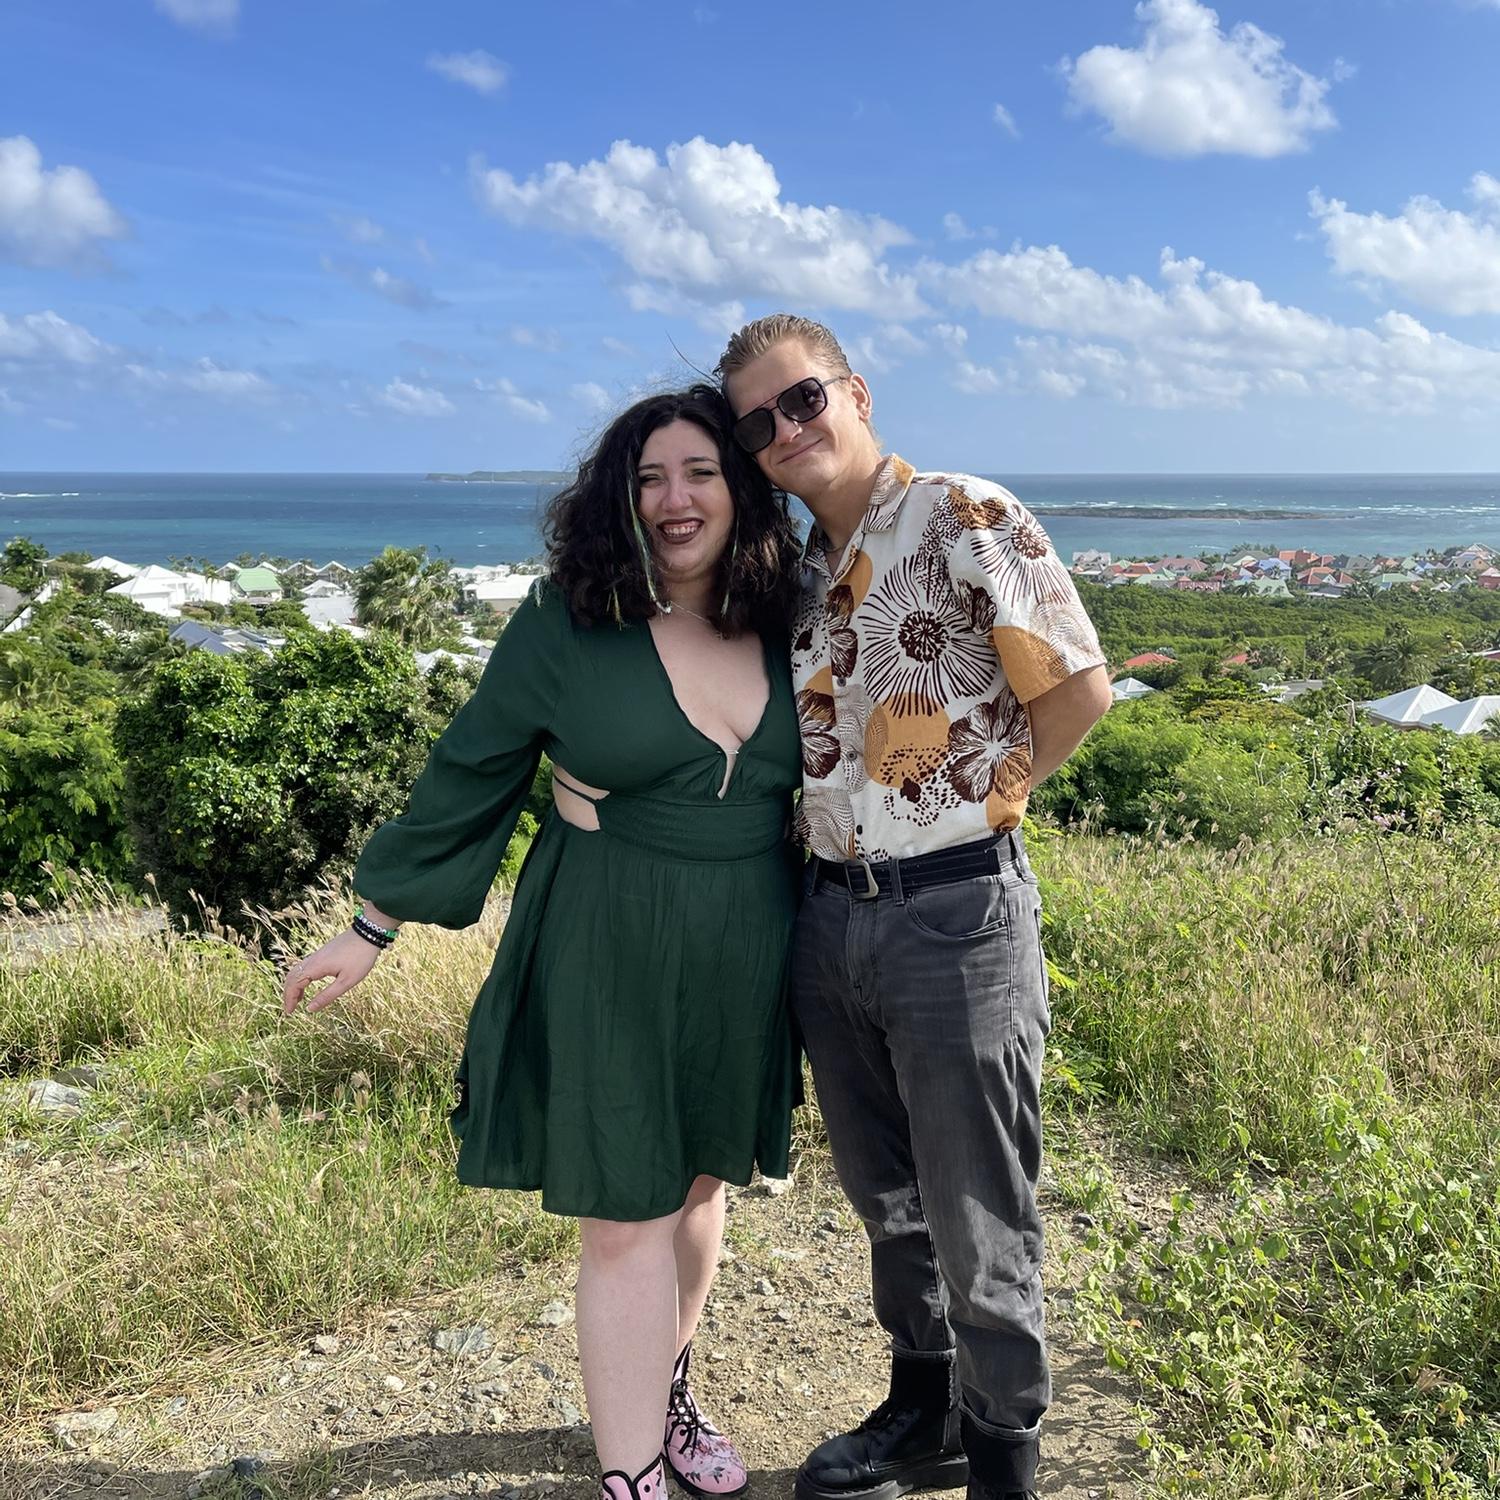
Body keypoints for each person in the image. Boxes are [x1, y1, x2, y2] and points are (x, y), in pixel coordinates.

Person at [281, 384, 805, 1500]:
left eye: (700, 473)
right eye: (650, 477)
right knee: (628, 1210)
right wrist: (373, 924)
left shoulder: (787, 617)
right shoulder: (566, 621)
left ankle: (664, 1395)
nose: (674, 499)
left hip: (750, 939)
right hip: (608, 931)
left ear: (741, 489)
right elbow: (475, 762)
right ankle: (629, 1480)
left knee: (702, 1186)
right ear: (619, 498)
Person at [718, 316, 1111, 1500]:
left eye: (802, 401)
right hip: (829, 915)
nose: (785, 431)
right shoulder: (792, 576)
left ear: (856, 392)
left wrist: (983, 803)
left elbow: (1079, 690)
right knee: (888, 1196)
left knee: (978, 1204)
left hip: (956, 911)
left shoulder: (959, 514)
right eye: (758, 422)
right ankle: (926, 1403)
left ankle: (1004, 1453)